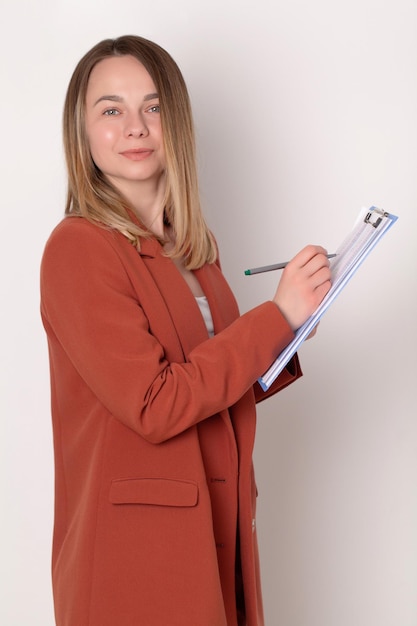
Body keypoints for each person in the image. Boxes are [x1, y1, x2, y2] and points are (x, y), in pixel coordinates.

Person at [40, 35, 331, 626]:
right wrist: (274, 318)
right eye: (111, 110)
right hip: (136, 557)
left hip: (216, 533)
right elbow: (157, 403)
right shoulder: (77, 248)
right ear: (83, 131)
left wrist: (291, 331)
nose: (136, 127)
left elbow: (210, 386)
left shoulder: (193, 248)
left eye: (152, 106)